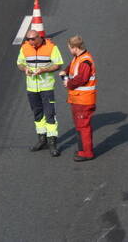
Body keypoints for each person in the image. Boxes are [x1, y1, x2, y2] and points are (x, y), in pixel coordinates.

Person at [16, 28, 65, 156]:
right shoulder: (25, 48)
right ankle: (42, 140)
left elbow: (58, 64)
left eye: (33, 39)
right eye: (28, 40)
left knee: (50, 114)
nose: (30, 42)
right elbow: (19, 63)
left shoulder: (51, 47)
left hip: (46, 87)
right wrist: (25, 68)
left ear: (39, 37)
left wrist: (43, 70)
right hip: (32, 88)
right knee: (37, 114)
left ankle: (52, 143)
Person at [62, 35, 97, 162]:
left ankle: (87, 153)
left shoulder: (85, 62)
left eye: (70, 48)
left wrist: (68, 83)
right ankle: (83, 150)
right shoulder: (79, 58)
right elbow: (72, 66)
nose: (69, 51)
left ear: (75, 48)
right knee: (80, 127)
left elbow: (82, 78)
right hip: (78, 99)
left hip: (83, 100)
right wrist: (65, 72)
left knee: (83, 127)